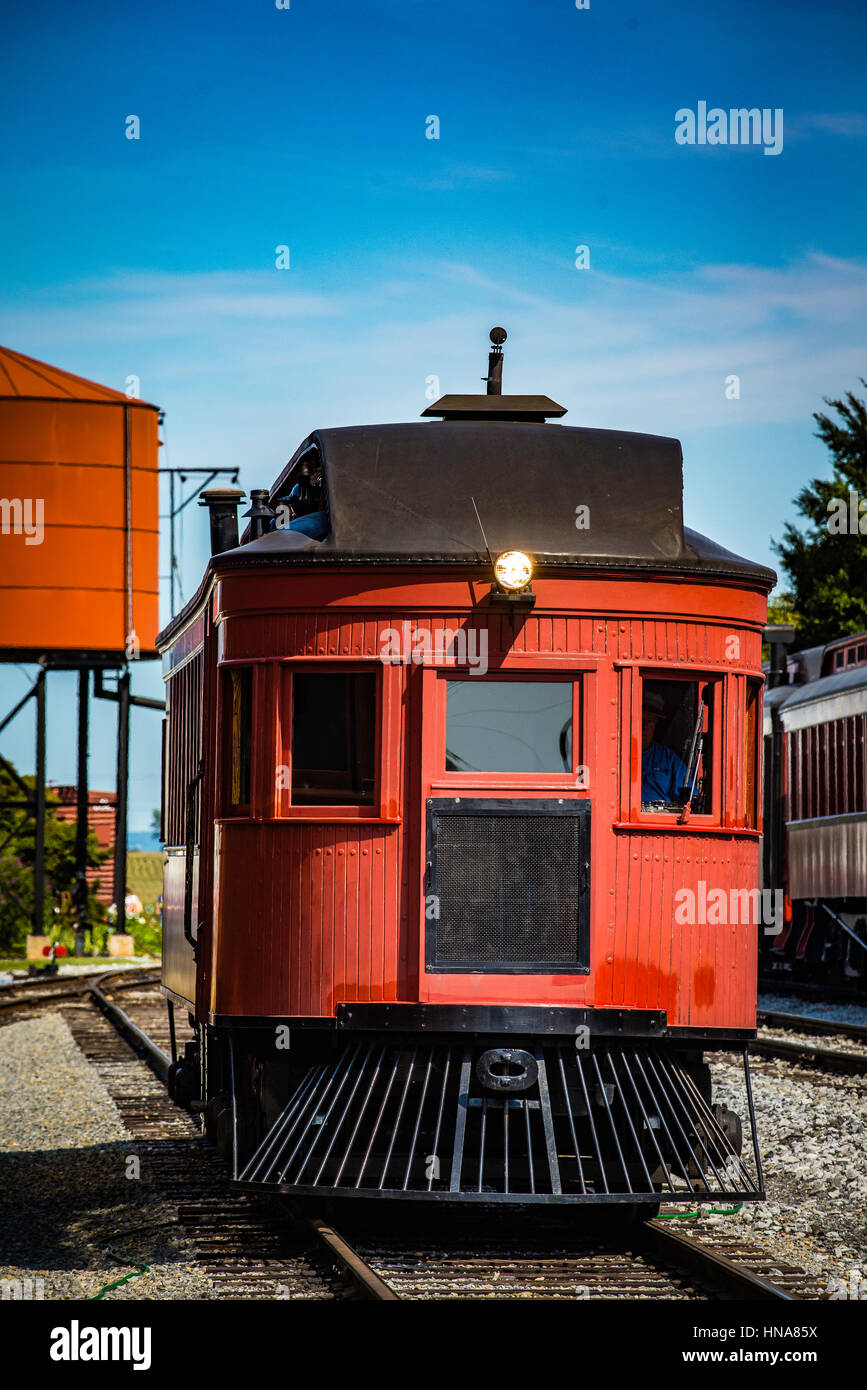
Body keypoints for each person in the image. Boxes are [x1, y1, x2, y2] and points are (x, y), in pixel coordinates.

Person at [641, 691, 688, 807]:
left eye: (649, 721)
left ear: (655, 724)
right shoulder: (617, 754)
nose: (644, 726)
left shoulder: (669, 759)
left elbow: (689, 796)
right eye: (641, 719)